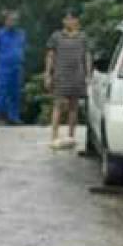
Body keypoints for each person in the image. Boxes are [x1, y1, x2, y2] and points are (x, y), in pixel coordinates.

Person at [45, 11, 93, 150]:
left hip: (77, 75)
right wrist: (48, 74)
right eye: (67, 19)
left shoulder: (83, 37)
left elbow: (87, 56)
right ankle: (54, 136)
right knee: (58, 105)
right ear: (63, 21)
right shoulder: (56, 36)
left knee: (74, 106)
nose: (69, 21)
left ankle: (71, 136)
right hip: (61, 75)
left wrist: (88, 74)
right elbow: (50, 55)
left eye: (72, 19)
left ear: (77, 21)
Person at [0, 11, 28, 126]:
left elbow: (24, 49)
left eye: (15, 20)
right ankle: (2, 117)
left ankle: (14, 117)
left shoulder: (21, 34)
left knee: (15, 92)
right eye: (11, 20)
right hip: (3, 67)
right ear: (5, 21)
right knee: (2, 91)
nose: (13, 22)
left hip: (17, 67)